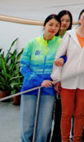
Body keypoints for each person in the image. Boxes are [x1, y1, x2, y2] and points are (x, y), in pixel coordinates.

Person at [52, 8, 84, 142]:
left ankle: (77, 139)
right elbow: (59, 56)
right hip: (67, 79)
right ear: (79, 19)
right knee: (66, 113)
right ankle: (65, 139)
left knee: (80, 113)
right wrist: (57, 79)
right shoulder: (70, 35)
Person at [20, 14, 61, 142]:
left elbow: (66, 59)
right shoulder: (32, 43)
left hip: (48, 90)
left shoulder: (60, 43)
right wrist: (40, 81)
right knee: (27, 125)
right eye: (50, 24)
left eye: (56, 25)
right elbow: (23, 66)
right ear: (44, 25)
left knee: (44, 126)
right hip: (30, 88)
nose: (53, 28)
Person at [50, 10, 73, 142]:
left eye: (67, 21)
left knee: (60, 111)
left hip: (63, 79)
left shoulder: (71, 37)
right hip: (48, 77)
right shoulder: (50, 36)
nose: (64, 23)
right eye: (62, 20)